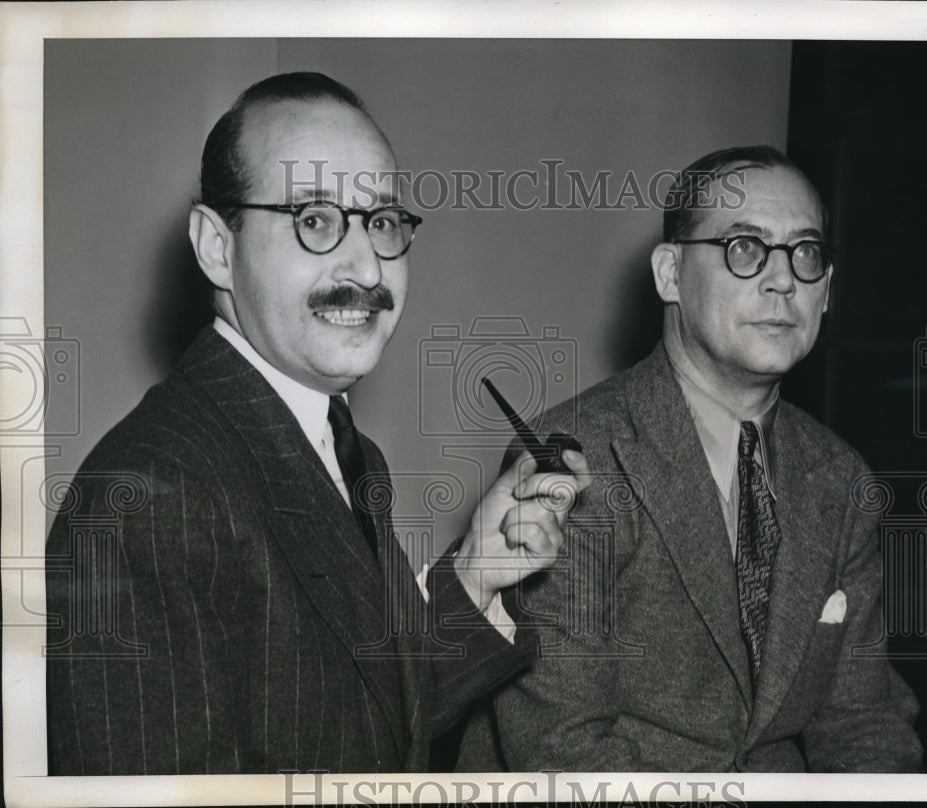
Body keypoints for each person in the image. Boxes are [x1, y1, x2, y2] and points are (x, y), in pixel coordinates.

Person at [45, 72, 588, 775]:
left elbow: (363, 726)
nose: (366, 265)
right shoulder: (150, 499)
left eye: (383, 222)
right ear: (217, 246)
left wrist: (478, 576)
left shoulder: (340, 446)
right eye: (314, 219)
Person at [457, 145, 922, 772]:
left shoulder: (841, 479)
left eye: (806, 254)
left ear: (828, 291)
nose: (784, 279)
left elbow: (866, 726)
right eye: (745, 248)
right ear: (670, 274)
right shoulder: (572, 457)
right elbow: (564, 751)